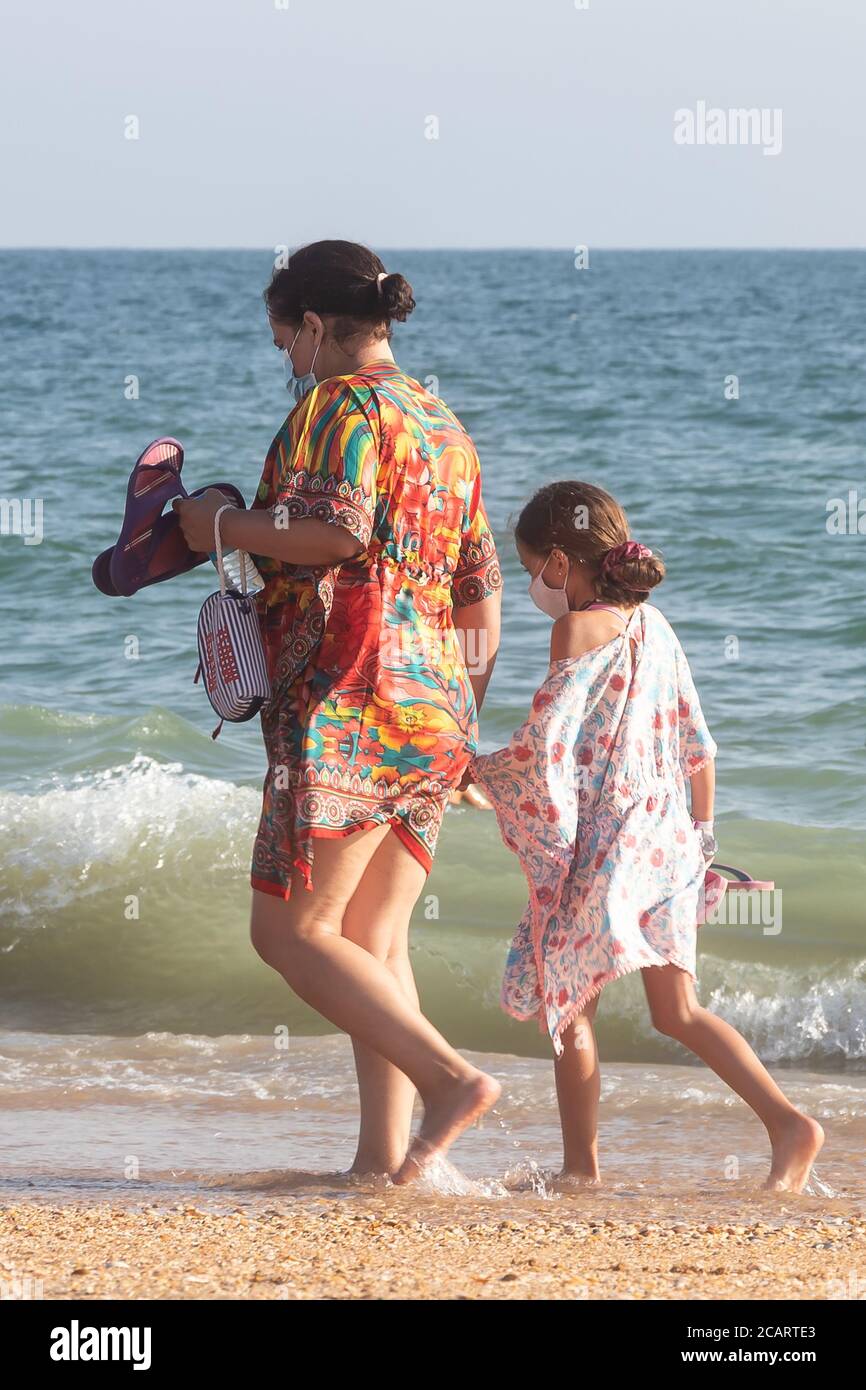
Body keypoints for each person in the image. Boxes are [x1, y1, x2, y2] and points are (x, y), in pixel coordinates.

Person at [175, 240, 503, 1181]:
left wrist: (219, 528)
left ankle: (450, 1081)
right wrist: (461, 721)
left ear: (315, 327)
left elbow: (337, 532)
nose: (287, 362)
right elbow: (479, 592)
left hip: (346, 702)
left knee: (289, 933)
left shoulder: (336, 403)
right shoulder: (444, 426)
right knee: (372, 940)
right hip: (432, 705)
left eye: (286, 342)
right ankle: (380, 1161)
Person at [471, 480, 824, 1193]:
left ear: (562, 563)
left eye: (532, 566)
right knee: (679, 1011)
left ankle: (580, 1168)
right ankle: (790, 1124)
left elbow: (548, 746)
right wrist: (700, 840)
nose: (533, 584)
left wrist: (473, 772)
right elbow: (701, 746)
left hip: (612, 839)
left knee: (568, 1002)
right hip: (670, 837)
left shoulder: (574, 630)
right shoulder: (656, 626)